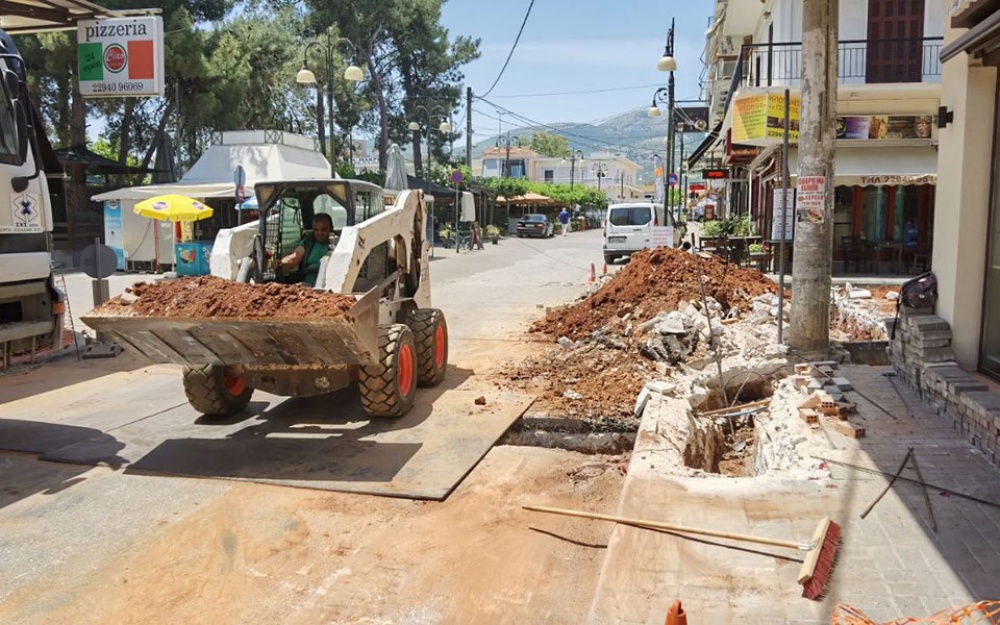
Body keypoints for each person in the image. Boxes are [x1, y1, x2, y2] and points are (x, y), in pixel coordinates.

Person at [280, 213, 334, 287]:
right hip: (309, 285)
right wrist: (282, 263)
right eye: (316, 230)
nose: (319, 233)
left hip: (331, 285)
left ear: (331, 228)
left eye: (323, 230)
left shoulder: (338, 243)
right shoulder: (308, 242)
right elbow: (296, 256)